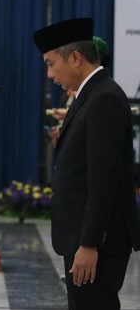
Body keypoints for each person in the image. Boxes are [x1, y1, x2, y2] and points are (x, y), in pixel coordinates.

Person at [33, 17, 140, 310]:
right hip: (84, 236)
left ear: (76, 58)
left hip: (97, 242)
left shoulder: (103, 98)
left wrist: (90, 243)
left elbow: (104, 180)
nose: (50, 74)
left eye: (51, 63)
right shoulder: (90, 94)